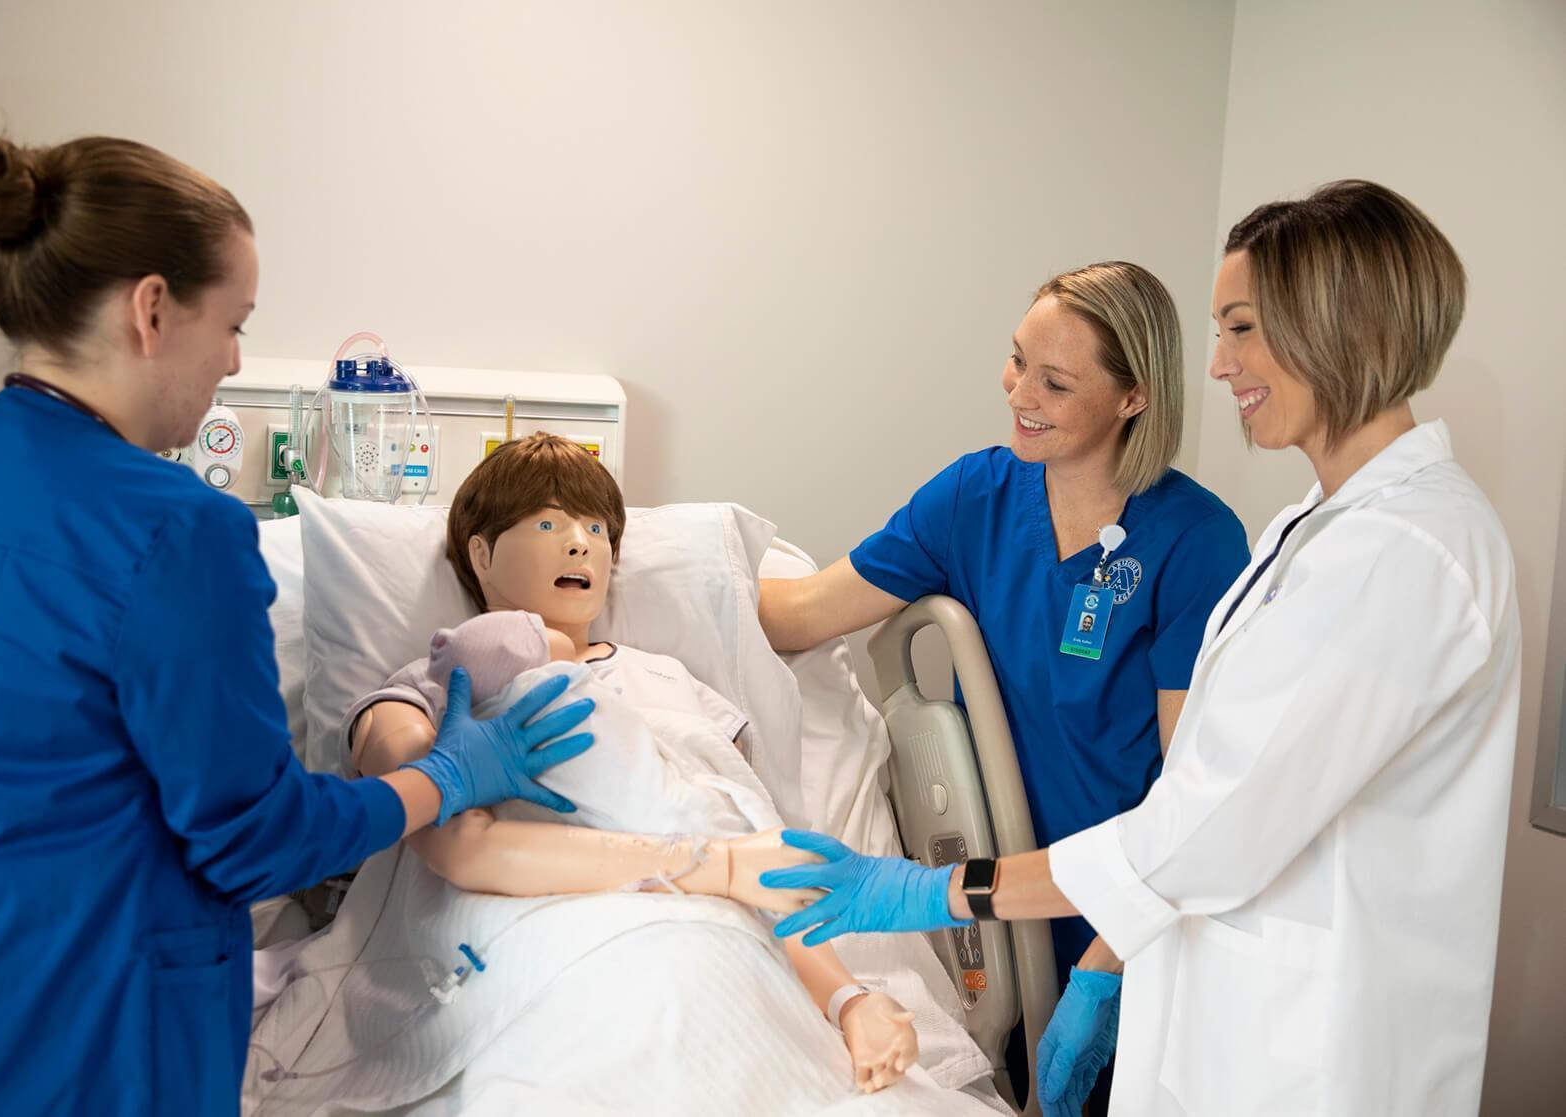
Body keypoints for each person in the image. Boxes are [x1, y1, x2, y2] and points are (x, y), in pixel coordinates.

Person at [761, 180, 1520, 1117]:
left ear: (1330, 325)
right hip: (1226, 1007)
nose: (1217, 365)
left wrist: (934, 892)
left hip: (1310, 1046)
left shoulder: (1399, 555)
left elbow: (1195, 825)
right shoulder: (1315, 531)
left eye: (1240, 328)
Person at [0, 127, 595, 1117]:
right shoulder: (179, 531)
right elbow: (255, 840)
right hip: (95, 1044)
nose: (231, 360)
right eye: (235, 324)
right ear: (150, 308)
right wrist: (440, 780)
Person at [758, 260, 1249, 1110]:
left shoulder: (1195, 541)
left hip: (1139, 924)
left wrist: (1105, 963)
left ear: (1132, 397)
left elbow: (1192, 801)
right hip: (1005, 909)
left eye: (1054, 381)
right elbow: (798, 613)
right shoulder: (975, 496)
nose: (1017, 389)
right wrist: (634, 563)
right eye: (1016, 358)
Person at [343, 434, 922, 1094]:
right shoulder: (430, 686)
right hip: (524, 928)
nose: (580, 542)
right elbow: (423, 811)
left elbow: (751, 851)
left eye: (595, 526)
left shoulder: (676, 686)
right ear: (481, 552)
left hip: (708, 928)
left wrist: (849, 999)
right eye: (548, 521)